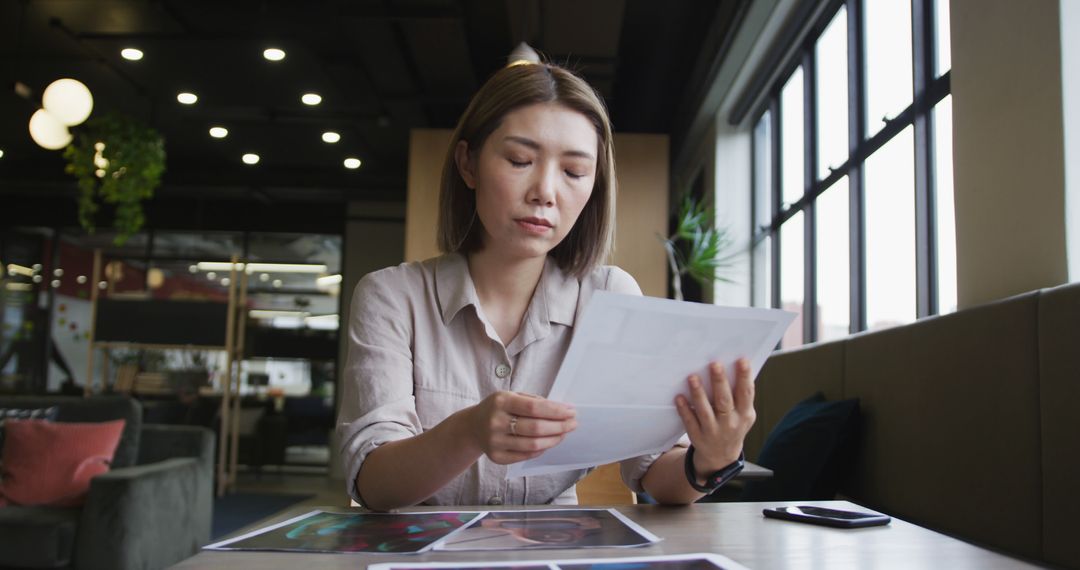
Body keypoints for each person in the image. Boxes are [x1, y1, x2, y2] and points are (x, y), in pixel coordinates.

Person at [337, 61, 755, 511]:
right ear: (468, 163)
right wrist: (468, 431)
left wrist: (711, 460)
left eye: (574, 172)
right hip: (414, 552)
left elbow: (651, 471)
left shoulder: (609, 297)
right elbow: (373, 482)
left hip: (551, 550)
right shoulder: (392, 297)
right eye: (520, 160)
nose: (545, 191)